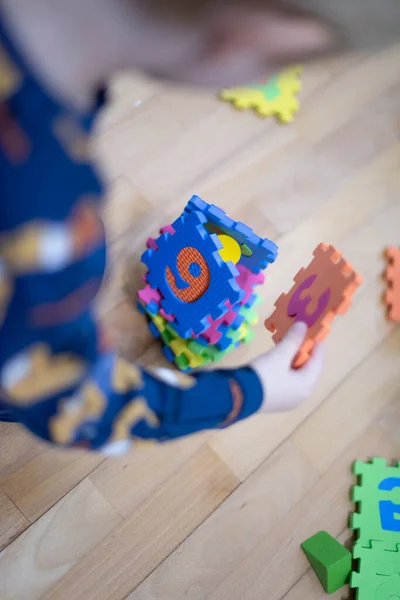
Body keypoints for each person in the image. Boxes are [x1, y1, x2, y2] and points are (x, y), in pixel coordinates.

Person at [3, 0, 394, 454]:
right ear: (258, 37)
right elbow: (74, 403)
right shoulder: (48, 222)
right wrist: (251, 391)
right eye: (281, 65)